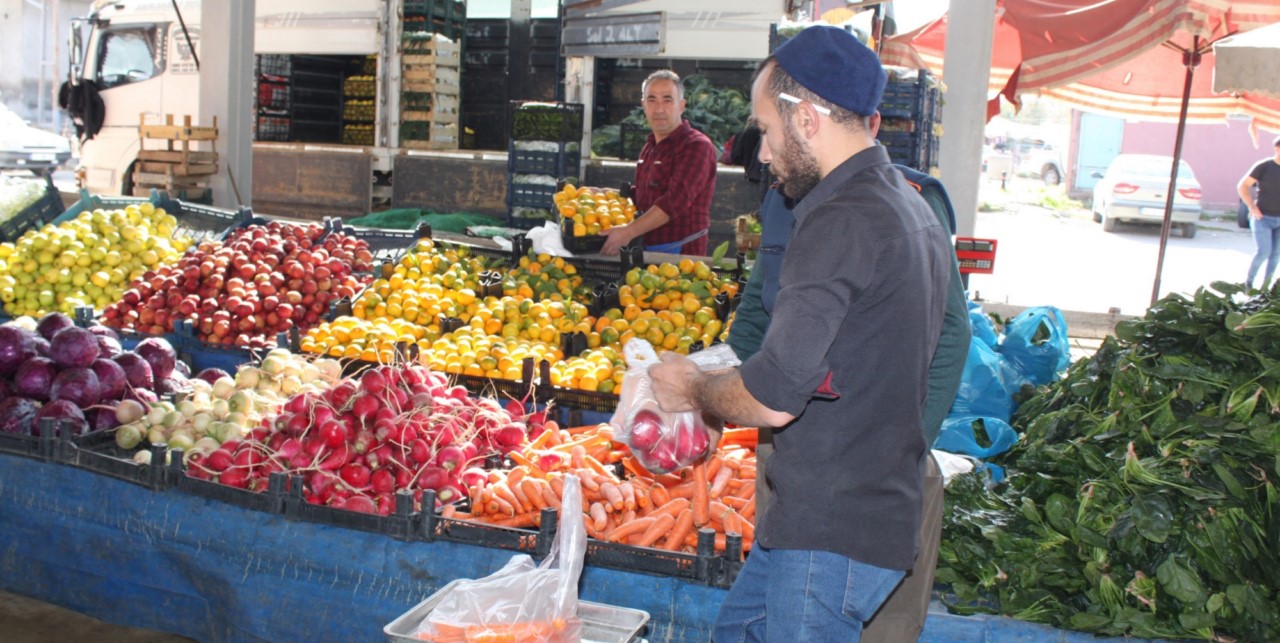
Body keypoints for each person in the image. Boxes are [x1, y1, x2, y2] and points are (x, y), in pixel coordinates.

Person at [648, 26, 953, 641]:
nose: (761, 153)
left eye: (765, 129)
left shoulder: (841, 221)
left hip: (832, 530)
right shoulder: (907, 203)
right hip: (836, 512)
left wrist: (692, 388)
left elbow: (773, 397)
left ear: (807, 119)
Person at [599, 70, 719, 256]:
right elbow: (644, 196)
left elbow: (674, 202)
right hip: (647, 252)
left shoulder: (696, 146)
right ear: (643, 106)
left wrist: (627, 233)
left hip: (682, 257)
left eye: (667, 100)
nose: (659, 108)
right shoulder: (650, 146)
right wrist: (607, 195)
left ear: (681, 106)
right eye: (652, 100)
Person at [1239, 136, 1280, 289]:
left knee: (1276, 256)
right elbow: (1243, 186)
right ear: (1277, 149)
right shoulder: (1264, 166)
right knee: (1264, 252)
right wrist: (1251, 206)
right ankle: (1248, 282)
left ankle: (1266, 287)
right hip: (1262, 218)